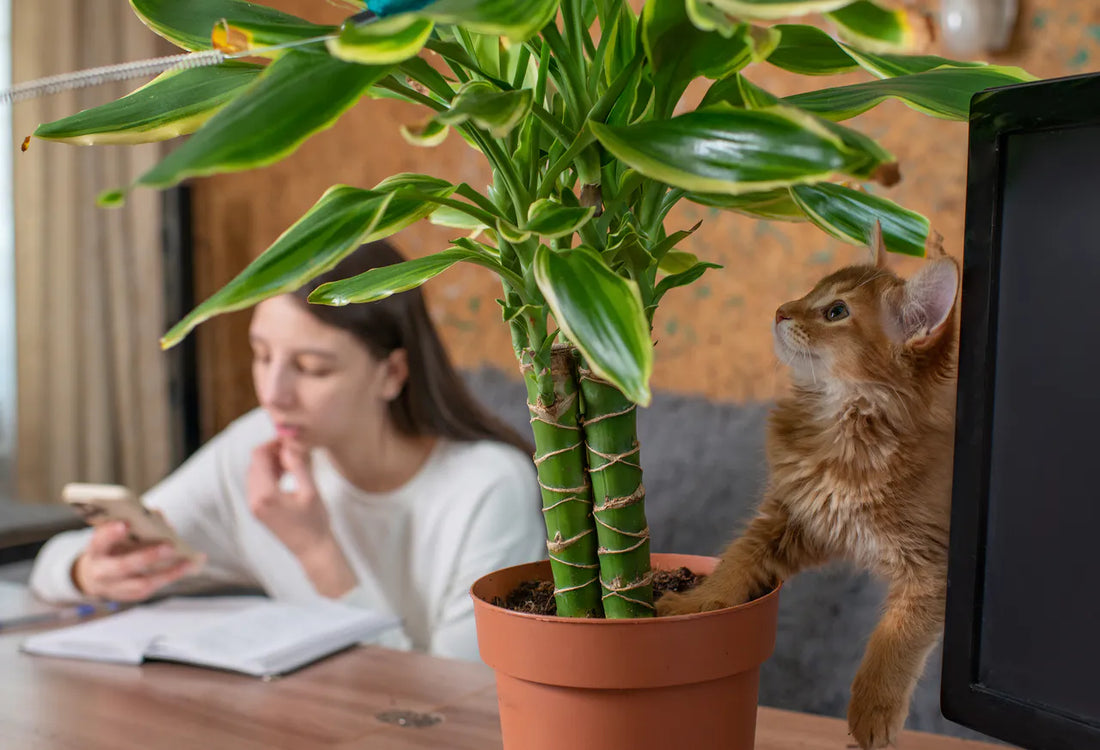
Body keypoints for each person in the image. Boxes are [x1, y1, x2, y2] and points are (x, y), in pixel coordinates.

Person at [29, 240, 545, 662]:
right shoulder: (259, 445)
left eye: (313, 368)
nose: (274, 393)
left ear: (391, 373)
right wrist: (89, 571)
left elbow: (459, 703)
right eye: (261, 355)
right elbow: (53, 563)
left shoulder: (488, 486)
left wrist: (317, 553)